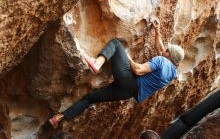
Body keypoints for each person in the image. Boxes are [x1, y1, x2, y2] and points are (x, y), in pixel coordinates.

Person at [49, 19, 185, 128]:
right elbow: (162, 49)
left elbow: (138, 69)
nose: (165, 49)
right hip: (128, 93)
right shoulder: (172, 72)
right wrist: (157, 30)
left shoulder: (161, 60)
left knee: (115, 43)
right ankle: (59, 118)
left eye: (168, 49)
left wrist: (127, 56)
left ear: (169, 55)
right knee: (90, 98)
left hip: (129, 80)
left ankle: (97, 63)